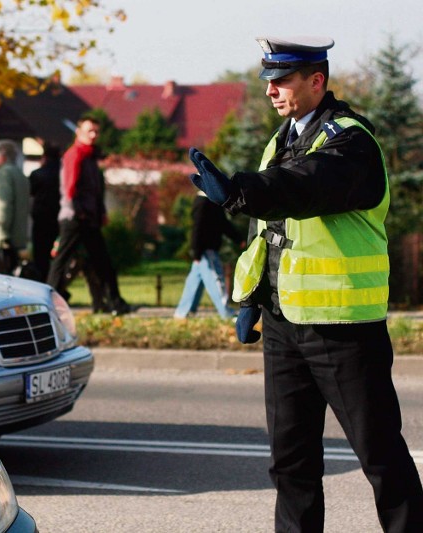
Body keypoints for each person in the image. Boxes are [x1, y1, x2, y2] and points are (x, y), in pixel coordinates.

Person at [188, 36, 423, 532]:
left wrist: (239, 190)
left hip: (342, 329)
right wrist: (253, 297)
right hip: (284, 325)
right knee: (291, 464)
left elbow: (305, 187)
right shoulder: (283, 138)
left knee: (381, 460)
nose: (271, 90)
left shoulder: (350, 140)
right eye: (267, 81)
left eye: (282, 80)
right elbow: (269, 232)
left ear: (317, 81)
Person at [47, 115, 131, 315]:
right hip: (75, 219)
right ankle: (47, 303)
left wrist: (100, 213)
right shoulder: (75, 155)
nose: (93, 135)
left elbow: (95, 191)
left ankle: (115, 302)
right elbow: (69, 189)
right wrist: (80, 213)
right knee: (62, 262)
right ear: (79, 132)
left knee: (103, 262)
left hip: (88, 219)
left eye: (96, 131)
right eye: (89, 131)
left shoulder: (90, 157)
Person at [174, 191, 244, 320]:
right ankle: (226, 313)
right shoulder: (202, 203)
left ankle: (183, 312)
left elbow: (223, 224)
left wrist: (238, 239)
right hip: (206, 250)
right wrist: (196, 252)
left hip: (204, 251)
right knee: (216, 279)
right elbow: (197, 228)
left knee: (194, 282)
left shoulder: (212, 203)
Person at [0, 139, 29, 275]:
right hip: (18, 236)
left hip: (3, 237)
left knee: (4, 278)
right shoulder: (20, 174)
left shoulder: (3, 174)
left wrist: (1, 233)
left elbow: (2, 205)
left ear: (2, 156)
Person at [29, 143, 61, 281]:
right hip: (58, 217)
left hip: (41, 217)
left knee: (40, 254)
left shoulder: (37, 174)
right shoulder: (62, 174)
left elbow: (31, 192)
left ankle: (42, 279)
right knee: (58, 253)